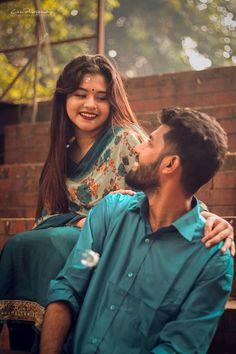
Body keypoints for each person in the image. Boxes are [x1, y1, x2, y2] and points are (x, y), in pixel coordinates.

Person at [0, 55, 233, 350]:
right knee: (26, 246)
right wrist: (79, 221)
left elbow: (173, 191)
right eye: (80, 95)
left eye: (101, 97)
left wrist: (211, 220)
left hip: (110, 247)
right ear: (64, 99)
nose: (90, 105)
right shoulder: (62, 152)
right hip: (87, 242)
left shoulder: (127, 140)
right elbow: (46, 218)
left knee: (40, 244)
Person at [40, 107, 234, 354]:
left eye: (150, 143)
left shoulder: (212, 260)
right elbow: (69, 287)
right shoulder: (111, 213)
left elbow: (179, 348)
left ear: (170, 164)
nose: (136, 148)